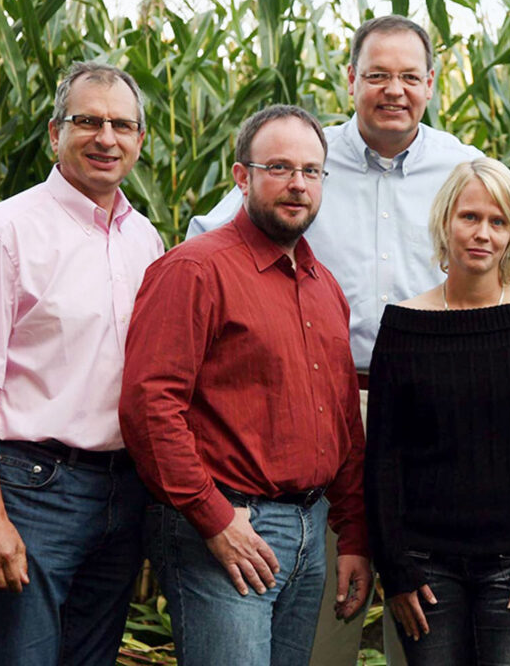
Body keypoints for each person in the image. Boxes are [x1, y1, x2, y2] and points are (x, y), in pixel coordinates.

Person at [187, 15, 485, 666]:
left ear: (432, 84)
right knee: (323, 610)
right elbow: (203, 240)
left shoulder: (465, 169)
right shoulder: (305, 161)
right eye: (376, 74)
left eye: (410, 75)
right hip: (321, 408)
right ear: (350, 79)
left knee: (431, 613)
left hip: (432, 416)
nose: (393, 89)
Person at [119, 105, 370, 666]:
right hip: (228, 530)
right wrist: (214, 518)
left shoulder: (324, 286)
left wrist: (352, 535)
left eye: (311, 171)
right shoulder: (195, 270)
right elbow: (149, 406)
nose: (297, 185)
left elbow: (343, 422)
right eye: (279, 167)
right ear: (242, 176)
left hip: (309, 533)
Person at [0, 61, 163, 666]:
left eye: (122, 125)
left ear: (140, 140)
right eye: (87, 121)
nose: (106, 138)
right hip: (31, 490)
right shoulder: (3, 232)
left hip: (123, 494)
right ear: (54, 133)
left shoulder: (145, 240)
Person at [365, 158, 510, 665]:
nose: (482, 233)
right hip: (426, 572)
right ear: (444, 223)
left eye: (498, 221)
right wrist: (396, 571)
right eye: (470, 217)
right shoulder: (402, 327)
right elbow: (383, 460)